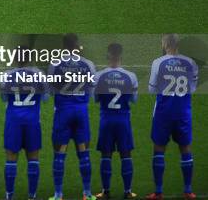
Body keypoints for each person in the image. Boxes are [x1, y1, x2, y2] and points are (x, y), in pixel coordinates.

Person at [146, 34, 198, 200]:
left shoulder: (158, 63)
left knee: (159, 148)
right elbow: (193, 87)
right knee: (185, 148)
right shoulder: (190, 63)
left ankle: (159, 191)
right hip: (183, 111)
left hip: (163, 112)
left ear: (165, 44)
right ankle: (188, 191)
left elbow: (152, 89)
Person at [48, 34, 97, 200]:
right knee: (84, 153)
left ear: (63, 46)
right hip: (81, 111)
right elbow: (92, 88)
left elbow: (50, 88)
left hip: (63, 111)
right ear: (77, 46)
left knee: (59, 154)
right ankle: (87, 193)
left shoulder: (55, 64)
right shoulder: (88, 64)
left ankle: (58, 194)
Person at [0, 56, 49, 200]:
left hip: (13, 121)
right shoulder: (39, 75)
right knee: (33, 159)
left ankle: (9, 195)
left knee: (11, 159)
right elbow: (45, 98)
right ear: (29, 59)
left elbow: (3, 98)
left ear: (15, 59)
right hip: (32, 121)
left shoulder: (7, 75)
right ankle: (32, 195)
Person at [94, 43, 138, 200]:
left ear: (108, 56)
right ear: (121, 56)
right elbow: (134, 100)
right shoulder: (130, 76)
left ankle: (105, 191)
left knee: (106, 154)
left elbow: (96, 99)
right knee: (126, 153)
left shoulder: (99, 76)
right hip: (123, 120)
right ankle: (128, 191)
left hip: (106, 119)